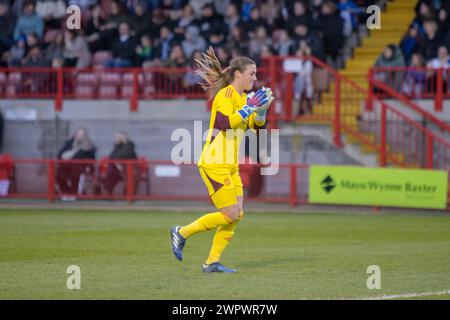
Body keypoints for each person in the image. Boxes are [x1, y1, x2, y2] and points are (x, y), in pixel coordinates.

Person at [170, 47, 274, 273]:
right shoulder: (225, 95)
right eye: (252, 73)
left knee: (237, 215)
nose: (255, 78)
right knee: (230, 213)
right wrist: (250, 108)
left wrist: (262, 111)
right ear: (238, 74)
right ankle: (181, 232)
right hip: (214, 162)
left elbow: (258, 130)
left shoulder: (244, 98)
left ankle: (211, 262)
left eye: (256, 74)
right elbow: (224, 123)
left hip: (230, 164)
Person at [56, 128, 96, 197]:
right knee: (59, 174)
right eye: (79, 134)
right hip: (66, 166)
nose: (80, 135)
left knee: (75, 176)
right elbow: (60, 155)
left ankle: (73, 194)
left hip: (80, 168)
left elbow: (91, 159)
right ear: (76, 135)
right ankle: (66, 193)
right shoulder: (69, 143)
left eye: (82, 134)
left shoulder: (89, 147)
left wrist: (88, 166)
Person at [102, 131, 138, 195]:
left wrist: (118, 161)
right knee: (110, 173)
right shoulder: (117, 146)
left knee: (127, 176)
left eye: (119, 137)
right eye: (117, 137)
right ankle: (108, 194)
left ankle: (128, 194)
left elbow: (124, 155)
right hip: (117, 170)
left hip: (129, 170)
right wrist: (116, 163)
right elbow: (111, 157)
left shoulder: (130, 145)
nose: (117, 138)